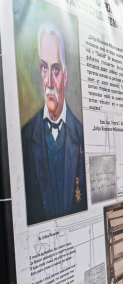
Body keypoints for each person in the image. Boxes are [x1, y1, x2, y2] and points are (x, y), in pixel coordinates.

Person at [22, 23, 87, 226]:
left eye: (55, 69)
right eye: (44, 68)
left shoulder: (82, 135)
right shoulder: (26, 137)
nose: (49, 81)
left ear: (65, 76)